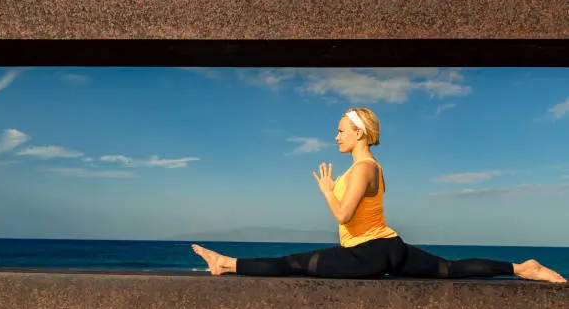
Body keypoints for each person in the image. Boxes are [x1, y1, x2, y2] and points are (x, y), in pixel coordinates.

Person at [193, 107, 567, 283]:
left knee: (295, 262)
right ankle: (523, 268)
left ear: (358, 134)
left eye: (341, 131)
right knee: (447, 270)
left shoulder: (364, 169)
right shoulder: (368, 168)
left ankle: (225, 263)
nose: (336, 136)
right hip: (388, 246)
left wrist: (326, 191)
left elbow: (342, 217)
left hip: (369, 251)